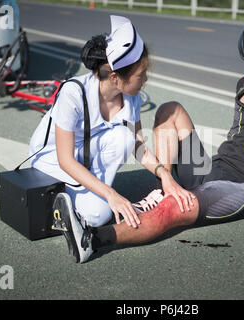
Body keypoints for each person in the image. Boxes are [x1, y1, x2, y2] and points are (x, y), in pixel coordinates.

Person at [53, 15, 244, 264]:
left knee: (177, 208)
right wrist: (166, 174)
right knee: (170, 110)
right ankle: (165, 186)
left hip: (243, 187)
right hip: (211, 168)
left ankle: (91, 240)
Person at [29, 15, 195, 263]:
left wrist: (165, 176)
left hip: (87, 151)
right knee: (100, 214)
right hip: (51, 157)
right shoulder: (73, 93)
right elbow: (65, 159)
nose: (146, 79)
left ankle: (79, 200)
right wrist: (111, 194)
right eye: (141, 74)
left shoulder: (131, 98)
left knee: (123, 138)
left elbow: (138, 146)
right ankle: (82, 200)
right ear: (116, 77)